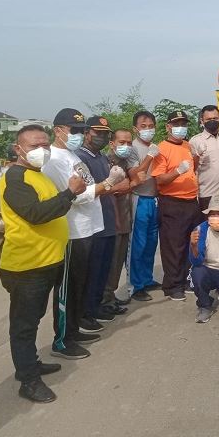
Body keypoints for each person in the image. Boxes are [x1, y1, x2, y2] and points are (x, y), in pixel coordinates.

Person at [0, 125, 86, 403]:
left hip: (47, 261)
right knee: (23, 325)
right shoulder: (15, 178)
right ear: (18, 149)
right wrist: (70, 193)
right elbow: (35, 214)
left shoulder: (38, 175)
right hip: (26, 266)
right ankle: (28, 380)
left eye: (46, 145)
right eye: (35, 146)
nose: (42, 150)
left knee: (33, 319)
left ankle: (31, 363)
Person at [42, 108, 115, 358]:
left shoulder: (72, 155)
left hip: (88, 228)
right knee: (68, 289)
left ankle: (73, 330)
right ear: (58, 131)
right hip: (72, 231)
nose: (78, 135)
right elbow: (74, 195)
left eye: (81, 131)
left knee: (80, 285)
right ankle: (61, 340)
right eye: (74, 131)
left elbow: (86, 185)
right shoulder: (53, 159)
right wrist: (105, 186)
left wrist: (99, 187)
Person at [75, 116, 129, 326]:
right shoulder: (81, 158)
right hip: (91, 224)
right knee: (91, 272)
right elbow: (89, 191)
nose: (102, 137)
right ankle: (84, 313)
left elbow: (109, 193)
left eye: (105, 133)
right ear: (87, 132)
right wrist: (112, 185)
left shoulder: (101, 158)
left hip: (106, 220)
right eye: (97, 132)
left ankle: (97, 307)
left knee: (102, 270)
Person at [151, 110, 202, 301]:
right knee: (174, 245)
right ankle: (173, 285)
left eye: (184, 124)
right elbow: (160, 180)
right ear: (168, 127)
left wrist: (195, 160)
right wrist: (177, 171)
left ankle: (187, 279)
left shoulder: (188, 146)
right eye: (177, 124)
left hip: (191, 201)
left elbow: (193, 170)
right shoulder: (162, 149)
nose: (181, 128)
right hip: (172, 201)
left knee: (191, 242)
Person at [126, 111, 162, 302]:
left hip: (154, 199)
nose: (148, 129)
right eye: (143, 126)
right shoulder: (132, 148)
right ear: (135, 129)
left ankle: (147, 279)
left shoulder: (157, 147)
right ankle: (135, 285)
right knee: (137, 244)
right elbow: (135, 174)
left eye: (151, 126)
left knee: (150, 242)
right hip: (139, 198)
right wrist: (149, 157)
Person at [105, 129, 136, 308]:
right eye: (122, 142)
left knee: (118, 260)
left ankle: (111, 295)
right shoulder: (106, 162)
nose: (125, 146)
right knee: (110, 262)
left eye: (129, 143)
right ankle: (104, 299)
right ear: (112, 144)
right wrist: (122, 187)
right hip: (113, 221)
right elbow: (101, 189)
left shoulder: (124, 162)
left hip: (125, 219)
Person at [190, 105, 219, 212]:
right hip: (207, 192)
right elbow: (191, 168)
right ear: (202, 121)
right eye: (208, 119)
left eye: (215, 118)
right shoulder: (195, 141)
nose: (212, 121)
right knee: (211, 224)